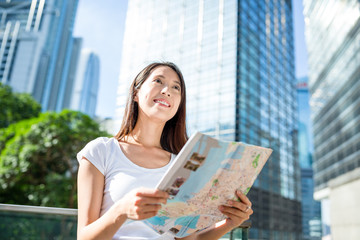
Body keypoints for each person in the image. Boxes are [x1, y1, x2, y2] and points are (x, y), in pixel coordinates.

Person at [77, 62, 253, 240]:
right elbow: (83, 237)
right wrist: (121, 210)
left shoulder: (184, 165)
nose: (167, 90)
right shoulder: (102, 151)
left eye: (176, 87)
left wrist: (228, 224)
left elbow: (189, 239)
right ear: (136, 93)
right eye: (158, 81)